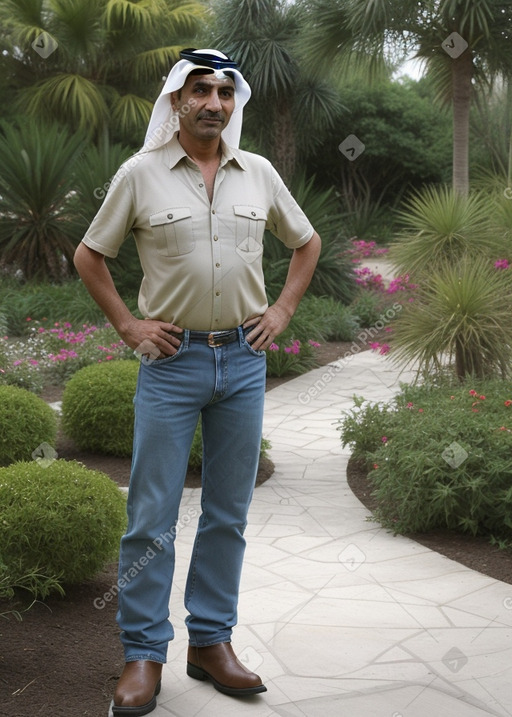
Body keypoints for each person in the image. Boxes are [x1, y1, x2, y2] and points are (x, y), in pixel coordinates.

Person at [74, 48, 321, 717]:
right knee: (151, 514)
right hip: (171, 363)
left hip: (243, 362)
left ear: (233, 102)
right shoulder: (141, 174)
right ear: (177, 100)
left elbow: (307, 242)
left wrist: (284, 309)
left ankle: (210, 642)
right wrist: (129, 326)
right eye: (201, 91)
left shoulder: (259, 173)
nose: (214, 102)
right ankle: (144, 652)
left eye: (224, 92)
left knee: (227, 513)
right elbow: (89, 254)